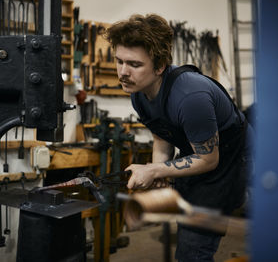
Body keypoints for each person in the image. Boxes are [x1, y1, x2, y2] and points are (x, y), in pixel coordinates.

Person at [105, 14, 253, 261]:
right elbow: (162, 136)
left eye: (134, 64)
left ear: (160, 65)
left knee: (194, 247)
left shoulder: (190, 97)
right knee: (188, 225)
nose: (122, 72)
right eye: (119, 61)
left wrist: (156, 171)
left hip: (234, 156)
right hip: (202, 153)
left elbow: (208, 160)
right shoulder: (139, 93)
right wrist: (158, 168)